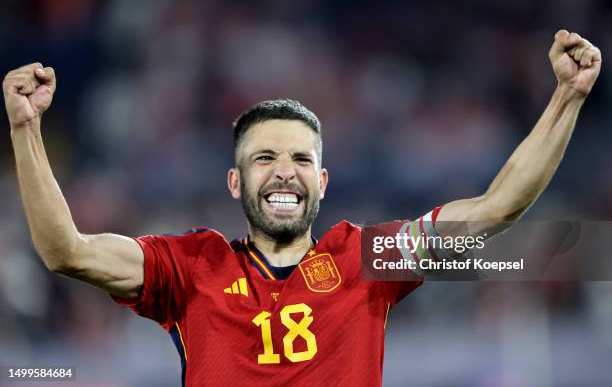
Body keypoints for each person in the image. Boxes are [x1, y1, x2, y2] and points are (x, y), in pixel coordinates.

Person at [2, 29, 601, 386]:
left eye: (299, 159)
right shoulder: (190, 268)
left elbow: (495, 210)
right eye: (264, 158)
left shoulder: (365, 259)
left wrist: (567, 98)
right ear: (236, 182)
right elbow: (65, 250)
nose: (284, 169)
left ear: (323, 181)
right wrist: (26, 130)